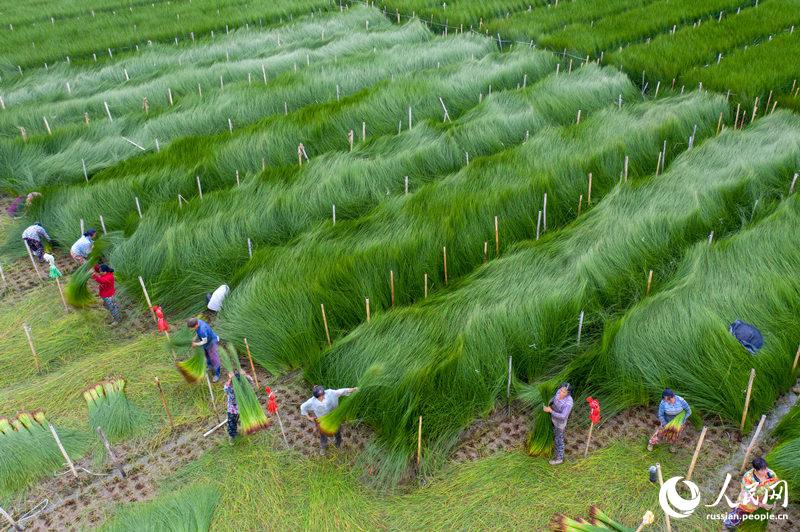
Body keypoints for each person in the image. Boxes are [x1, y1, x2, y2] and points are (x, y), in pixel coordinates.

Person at [723, 457, 781, 529]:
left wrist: (772, 496)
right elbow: (746, 496)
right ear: (755, 470)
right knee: (737, 516)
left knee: (751, 517)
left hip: (762, 501)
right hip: (747, 503)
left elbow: (775, 484)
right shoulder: (748, 478)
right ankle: (728, 525)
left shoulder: (771, 474)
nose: (766, 471)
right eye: (762, 470)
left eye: (766, 468)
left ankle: (741, 523)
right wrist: (761, 505)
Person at [300, 385, 358, 452]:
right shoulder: (311, 402)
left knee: (337, 432)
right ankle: (323, 447)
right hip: (322, 420)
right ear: (316, 397)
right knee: (323, 434)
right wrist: (309, 417)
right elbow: (302, 407)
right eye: (319, 397)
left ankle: (338, 445)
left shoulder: (330, 393)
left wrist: (353, 389)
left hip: (334, 418)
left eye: (323, 395)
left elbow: (341, 391)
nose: (322, 397)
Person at [543, 382, 574, 465]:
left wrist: (550, 411)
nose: (561, 392)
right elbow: (554, 398)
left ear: (568, 393)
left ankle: (559, 458)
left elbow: (563, 416)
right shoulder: (558, 392)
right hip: (552, 417)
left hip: (559, 423)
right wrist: (547, 402)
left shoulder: (569, 403)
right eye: (561, 390)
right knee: (554, 434)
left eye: (564, 392)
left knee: (558, 439)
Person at [223, 370, 254, 442]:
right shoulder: (245, 384)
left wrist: (230, 379)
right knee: (246, 418)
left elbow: (226, 388)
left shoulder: (230, 388)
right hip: (241, 407)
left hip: (233, 409)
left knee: (232, 422)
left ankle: (232, 436)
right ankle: (249, 430)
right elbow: (251, 381)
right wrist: (245, 374)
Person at [187, 317, 221, 382]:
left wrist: (196, 344)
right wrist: (195, 337)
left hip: (211, 342)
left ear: (196, 325)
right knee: (207, 354)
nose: (191, 329)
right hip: (206, 342)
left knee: (214, 359)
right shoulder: (197, 321)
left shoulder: (202, 330)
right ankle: (210, 366)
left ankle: (217, 374)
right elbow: (198, 332)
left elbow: (204, 341)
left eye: (191, 328)